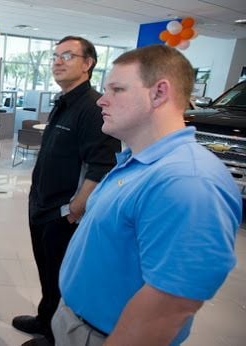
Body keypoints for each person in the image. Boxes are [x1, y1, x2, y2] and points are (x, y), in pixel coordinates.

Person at [53, 44, 242, 346]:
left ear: (159, 93)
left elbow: (170, 306)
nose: (102, 100)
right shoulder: (138, 160)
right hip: (77, 322)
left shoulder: (187, 182)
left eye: (116, 89)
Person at [13, 36, 120, 344]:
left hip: (63, 214)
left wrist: (76, 209)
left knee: (62, 277)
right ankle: (45, 319)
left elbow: (102, 164)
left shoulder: (92, 107)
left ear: (88, 64)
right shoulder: (63, 102)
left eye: (68, 56)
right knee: (46, 270)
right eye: (55, 56)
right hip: (42, 206)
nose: (58, 61)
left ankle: (55, 336)